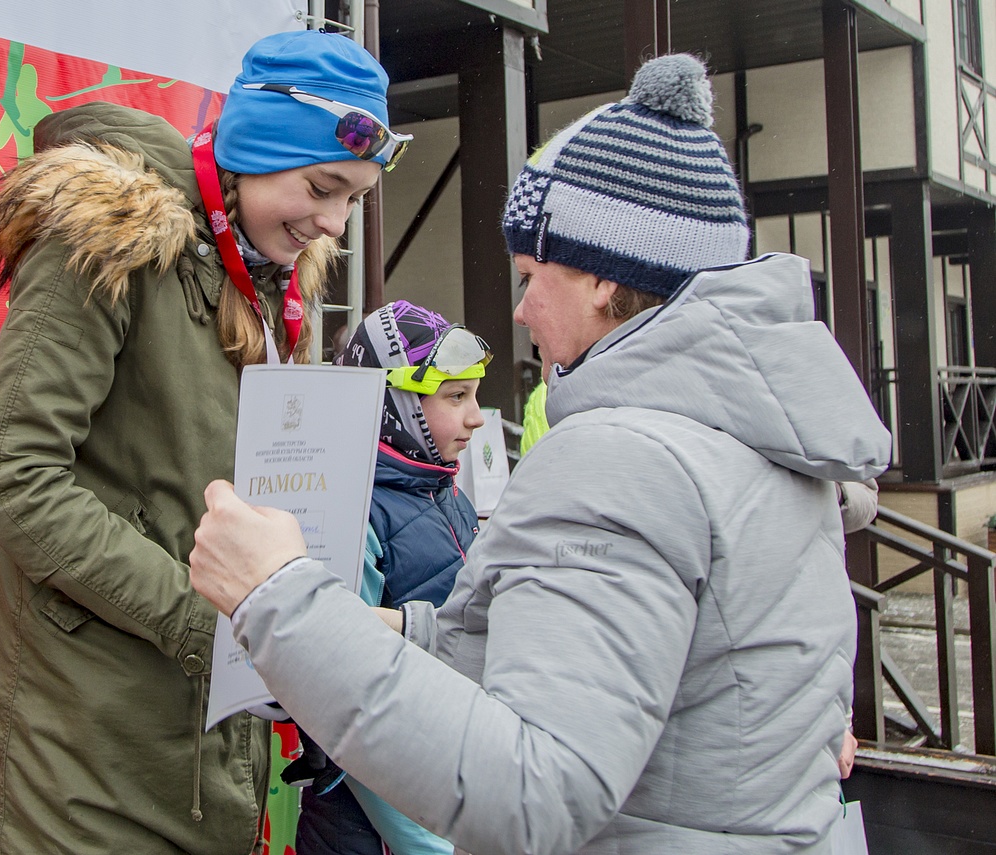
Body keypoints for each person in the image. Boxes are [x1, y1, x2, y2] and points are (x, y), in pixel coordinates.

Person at [189, 53, 892, 854]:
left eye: (531, 273)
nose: (521, 308)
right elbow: (570, 658)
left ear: (598, 277)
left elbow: (532, 791)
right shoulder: (758, 444)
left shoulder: (622, 456)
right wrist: (393, 631)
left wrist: (277, 597)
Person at [0, 29, 409, 854]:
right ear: (255, 148)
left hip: (208, 751)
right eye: (322, 186)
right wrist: (209, 627)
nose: (333, 222)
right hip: (79, 766)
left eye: (355, 198)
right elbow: (13, 473)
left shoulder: (273, 276)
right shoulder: (107, 236)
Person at [293, 300, 489, 855]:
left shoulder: (444, 493)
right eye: (455, 396)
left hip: (449, 797)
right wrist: (431, 843)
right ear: (396, 403)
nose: (476, 416)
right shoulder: (354, 511)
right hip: (376, 829)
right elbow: (346, 698)